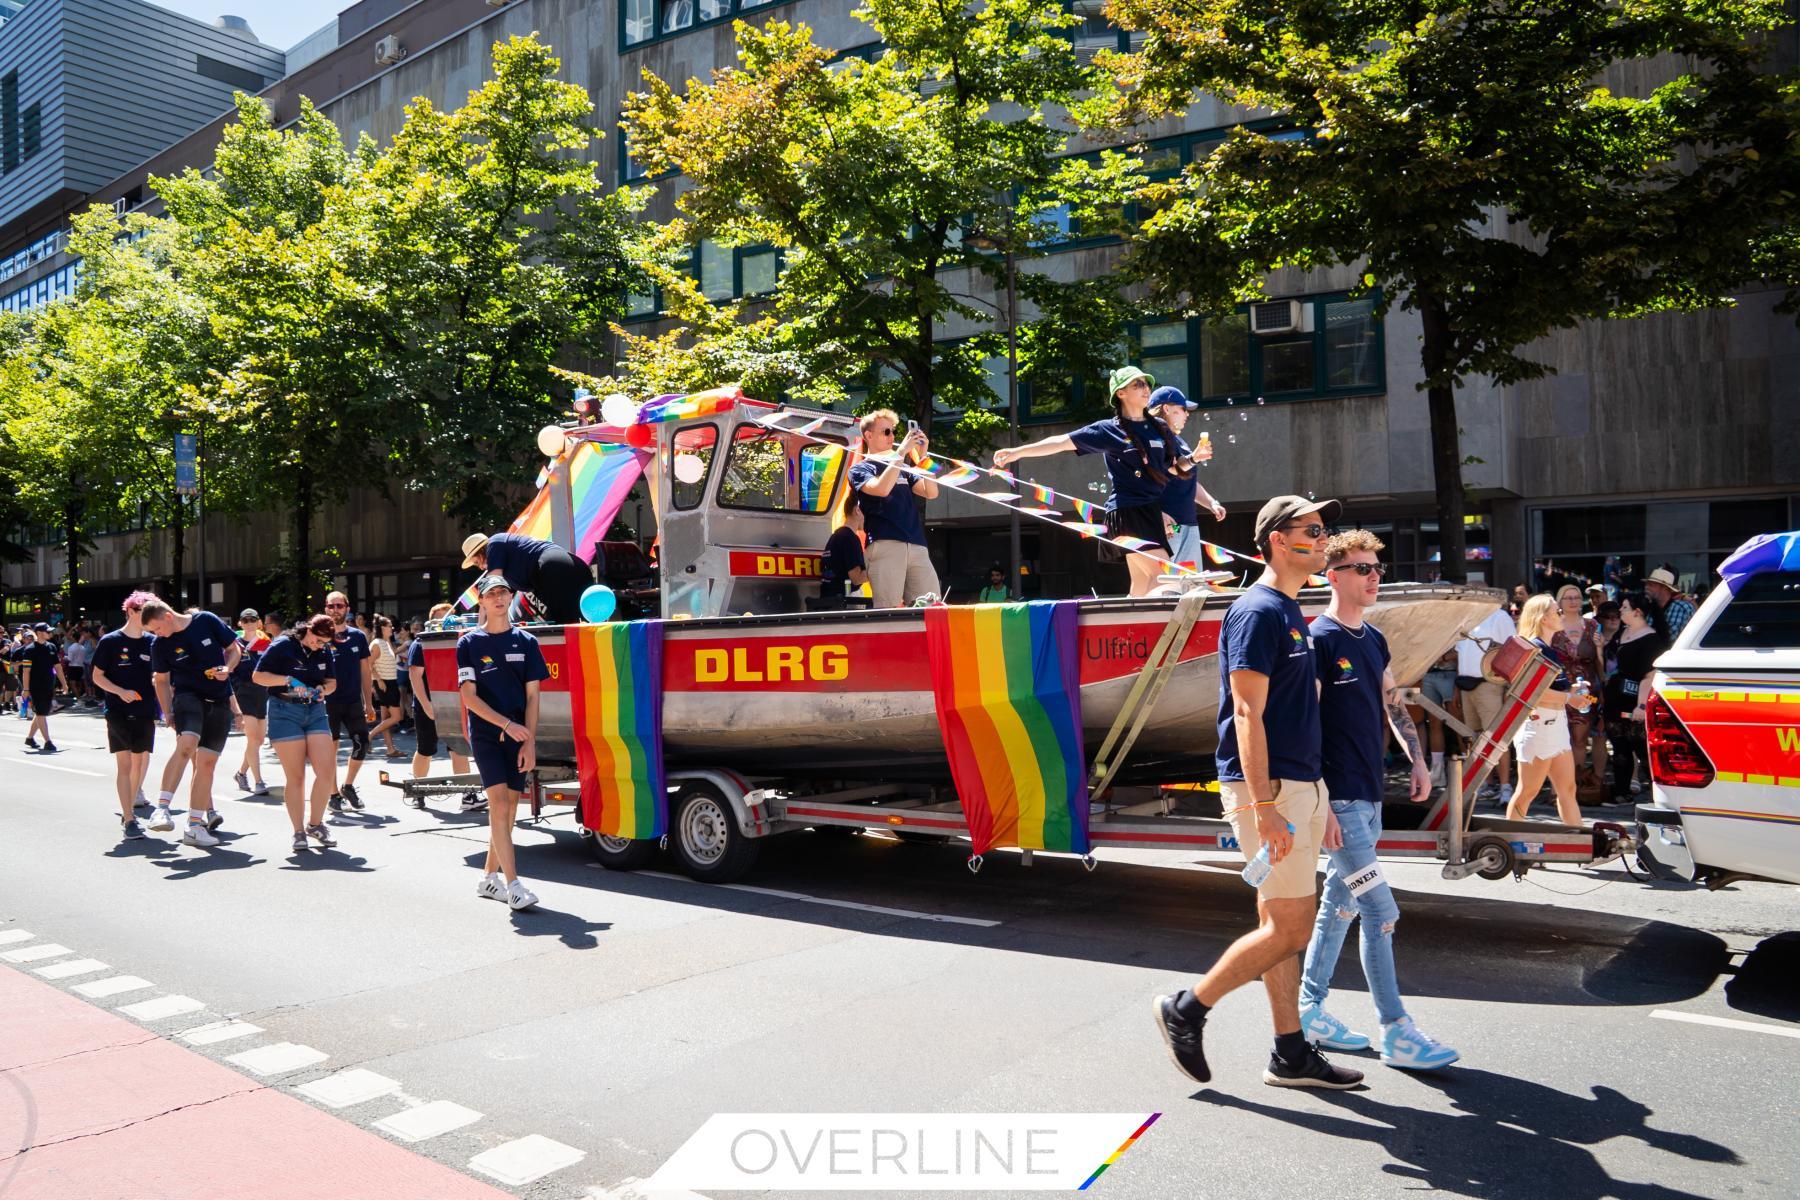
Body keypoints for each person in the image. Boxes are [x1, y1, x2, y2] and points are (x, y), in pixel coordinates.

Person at [1152, 494, 1365, 1090]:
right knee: (1292, 929)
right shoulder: (1258, 610)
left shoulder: (1291, 610)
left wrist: (1316, 796)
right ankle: (1187, 1009)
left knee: (1280, 918)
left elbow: (1297, 713)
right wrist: (1266, 805)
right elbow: (1246, 712)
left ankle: (1290, 1053)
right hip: (1267, 789)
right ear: (1277, 538)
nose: (1325, 540)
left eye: (1325, 530)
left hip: (1297, 784)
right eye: (1314, 531)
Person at [1298, 530, 1459, 1070]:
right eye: (1362, 569)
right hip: (1339, 802)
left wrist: (1415, 759)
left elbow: (1392, 702)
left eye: (1376, 569)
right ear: (1333, 574)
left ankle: (1310, 1010)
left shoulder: (1372, 639)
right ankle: (1396, 1031)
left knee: (1339, 905)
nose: (1373, 577)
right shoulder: (1318, 640)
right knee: (1380, 910)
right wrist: (1320, 806)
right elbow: (1303, 730)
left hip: (1369, 796)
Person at [996, 367, 1199, 597]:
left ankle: (1131, 630)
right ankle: (1159, 628)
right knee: (1164, 577)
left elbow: (1170, 469)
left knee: (1142, 583)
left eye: (1146, 384)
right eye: (1138, 384)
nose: (1146, 389)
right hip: (1128, 512)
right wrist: (1017, 452)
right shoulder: (1108, 429)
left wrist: (1194, 458)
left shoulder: (1158, 428)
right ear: (1120, 393)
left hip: (1149, 511)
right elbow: (1062, 442)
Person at [457, 574, 549, 911]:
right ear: (481, 601)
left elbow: (534, 698)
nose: (497, 598)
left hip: (519, 737)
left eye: (503, 593)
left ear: (511, 598)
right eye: (490, 594)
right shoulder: (469, 643)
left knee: (509, 810)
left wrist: (529, 741)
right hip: (488, 735)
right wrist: (506, 725)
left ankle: (488, 878)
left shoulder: (526, 642)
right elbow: (469, 698)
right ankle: (513, 885)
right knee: (498, 805)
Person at [142, 599, 240, 848]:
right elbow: (161, 681)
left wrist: (227, 669)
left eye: (157, 629)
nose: (157, 635)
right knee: (187, 744)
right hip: (187, 697)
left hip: (218, 700)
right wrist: (167, 714)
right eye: (153, 632)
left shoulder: (206, 620)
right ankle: (162, 809)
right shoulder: (159, 645)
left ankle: (195, 826)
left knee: (207, 763)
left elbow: (234, 649)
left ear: (167, 616)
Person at [1503, 595, 1595, 826]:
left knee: (1568, 789)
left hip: (1555, 725)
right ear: (1544, 619)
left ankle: (1579, 847)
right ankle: (1509, 842)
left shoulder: (1547, 649)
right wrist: (1569, 697)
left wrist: (1573, 690)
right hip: (1537, 726)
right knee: (1528, 791)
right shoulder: (1534, 648)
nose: (1562, 615)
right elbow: (1528, 694)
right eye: (1557, 611)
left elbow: (1547, 689)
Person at [252, 614, 341, 852]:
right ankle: (298, 832)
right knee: (297, 776)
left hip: (315, 711)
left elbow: (332, 682)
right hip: (284, 711)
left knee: (326, 771)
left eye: (324, 643)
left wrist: (324, 689)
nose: (319, 645)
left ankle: (315, 824)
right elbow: (258, 676)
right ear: (309, 630)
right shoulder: (283, 644)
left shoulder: (324, 651)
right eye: (317, 640)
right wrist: (288, 679)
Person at [846, 410, 941, 607]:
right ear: (869, 436)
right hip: (885, 544)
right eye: (886, 431)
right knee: (888, 609)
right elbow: (880, 489)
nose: (892, 437)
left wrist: (924, 456)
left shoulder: (902, 467)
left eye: (893, 432)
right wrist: (900, 454)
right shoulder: (860, 469)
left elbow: (931, 492)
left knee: (933, 608)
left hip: (916, 545)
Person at [91, 593, 160, 839]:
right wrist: (121, 692)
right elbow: (97, 677)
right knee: (126, 763)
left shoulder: (153, 641)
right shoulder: (110, 641)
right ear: (131, 611)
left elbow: (163, 676)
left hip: (145, 710)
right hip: (118, 711)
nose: (150, 618)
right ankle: (129, 819)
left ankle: (128, 807)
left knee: (140, 761)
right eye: (145, 612)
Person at [1147, 386, 1227, 569]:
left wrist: (1211, 502)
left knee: (1189, 585)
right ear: (1167, 409)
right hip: (1169, 525)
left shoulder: (1179, 441)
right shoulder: (1154, 439)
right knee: (1165, 585)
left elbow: (1187, 479)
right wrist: (1155, 513)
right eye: (1184, 409)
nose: (1187, 415)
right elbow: (1148, 479)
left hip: (1188, 524)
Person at [1606, 592, 1668, 803]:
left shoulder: (1651, 639)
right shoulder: (1621, 633)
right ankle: (1621, 792)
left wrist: (1641, 706)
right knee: (1619, 747)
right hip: (1616, 698)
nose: (1620, 611)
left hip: (1635, 700)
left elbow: (1649, 676)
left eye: (1624, 607)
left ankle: (1658, 794)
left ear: (1637, 612)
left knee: (1642, 749)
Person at [458, 532, 595, 625]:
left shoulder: (494, 544)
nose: (481, 568)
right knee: (577, 622)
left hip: (554, 568)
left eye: (477, 562)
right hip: (572, 568)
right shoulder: (507, 560)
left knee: (565, 626)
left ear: (481, 551)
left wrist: (481, 627)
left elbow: (492, 589)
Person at [1455, 604, 1517, 802]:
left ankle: (1505, 786)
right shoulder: (1466, 617)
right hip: (1466, 685)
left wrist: (1508, 687)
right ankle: (1486, 784)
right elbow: (1461, 656)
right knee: (1474, 738)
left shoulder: (1499, 617)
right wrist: (1456, 688)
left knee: (1496, 738)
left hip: (1489, 684)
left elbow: (1512, 650)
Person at [408, 602, 471, 796]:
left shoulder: (461, 641)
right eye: (440, 618)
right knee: (426, 749)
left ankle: (468, 793)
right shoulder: (421, 643)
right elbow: (415, 675)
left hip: (455, 705)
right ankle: (418, 789)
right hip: (429, 704)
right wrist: (426, 705)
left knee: (459, 749)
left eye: (449, 617)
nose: (445, 623)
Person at [322, 591, 374, 813]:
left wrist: (369, 703)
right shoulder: (320, 637)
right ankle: (333, 794)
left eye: (339, 606)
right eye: (331, 606)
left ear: (347, 608)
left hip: (353, 700)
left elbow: (365, 670)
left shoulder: (358, 636)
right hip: (328, 702)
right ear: (326, 609)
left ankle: (348, 786)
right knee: (330, 751)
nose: (335, 610)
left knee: (362, 744)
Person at [1551, 583, 1606, 791]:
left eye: (1576, 597)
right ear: (1559, 602)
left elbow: (1599, 662)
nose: (1573, 601)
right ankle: (1558, 788)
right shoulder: (1553, 625)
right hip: (1558, 689)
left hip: (1586, 690)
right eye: (1568, 598)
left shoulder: (1592, 625)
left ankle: (1575, 785)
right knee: (1556, 739)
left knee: (1579, 738)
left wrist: (1600, 648)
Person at [231, 609, 271, 796]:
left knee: (260, 740)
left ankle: (241, 773)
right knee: (253, 738)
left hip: (261, 694)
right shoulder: (234, 644)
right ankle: (259, 781)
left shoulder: (266, 644)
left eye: (252, 619)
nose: (248, 623)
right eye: (245, 620)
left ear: (259, 622)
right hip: (243, 693)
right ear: (240, 623)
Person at [817, 492, 869, 611]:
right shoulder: (850, 538)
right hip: (844, 605)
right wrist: (878, 570)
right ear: (857, 510)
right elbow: (856, 578)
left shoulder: (835, 536)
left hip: (827, 601)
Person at [1417, 647, 1460, 788]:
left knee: (1459, 725)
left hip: (1450, 674)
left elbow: (1463, 649)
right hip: (1429, 674)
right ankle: (1437, 772)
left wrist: (1442, 657)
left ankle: (1469, 770)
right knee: (1434, 724)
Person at [18, 623, 60, 752]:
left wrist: (64, 684)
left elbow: (57, 666)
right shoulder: (29, 650)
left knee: (41, 712)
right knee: (41, 713)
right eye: (48, 631)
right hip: (35, 686)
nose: (50, 633)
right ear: (40, 632)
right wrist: (26, 689)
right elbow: (26, 671)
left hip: (49, 684)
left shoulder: (52, 646)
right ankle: (48, 741)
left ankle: (30, 738)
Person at [368, 616, 404, 757]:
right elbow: (369, 663)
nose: (392, 628)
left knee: (385, 719)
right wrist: (379, 680)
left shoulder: (386, 642)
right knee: (396, 717)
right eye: (389, 626)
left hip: (389, 681)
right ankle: (369, 736)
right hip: (385, 683)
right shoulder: (377, 643)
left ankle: (390, 749)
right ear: (382, 628)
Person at [1645, 566, 1698, 639]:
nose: (1646, 587)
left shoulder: (1683, 609)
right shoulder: (1648, 610)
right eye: (1647, 584)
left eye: (1651, 585)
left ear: (1665, 588)